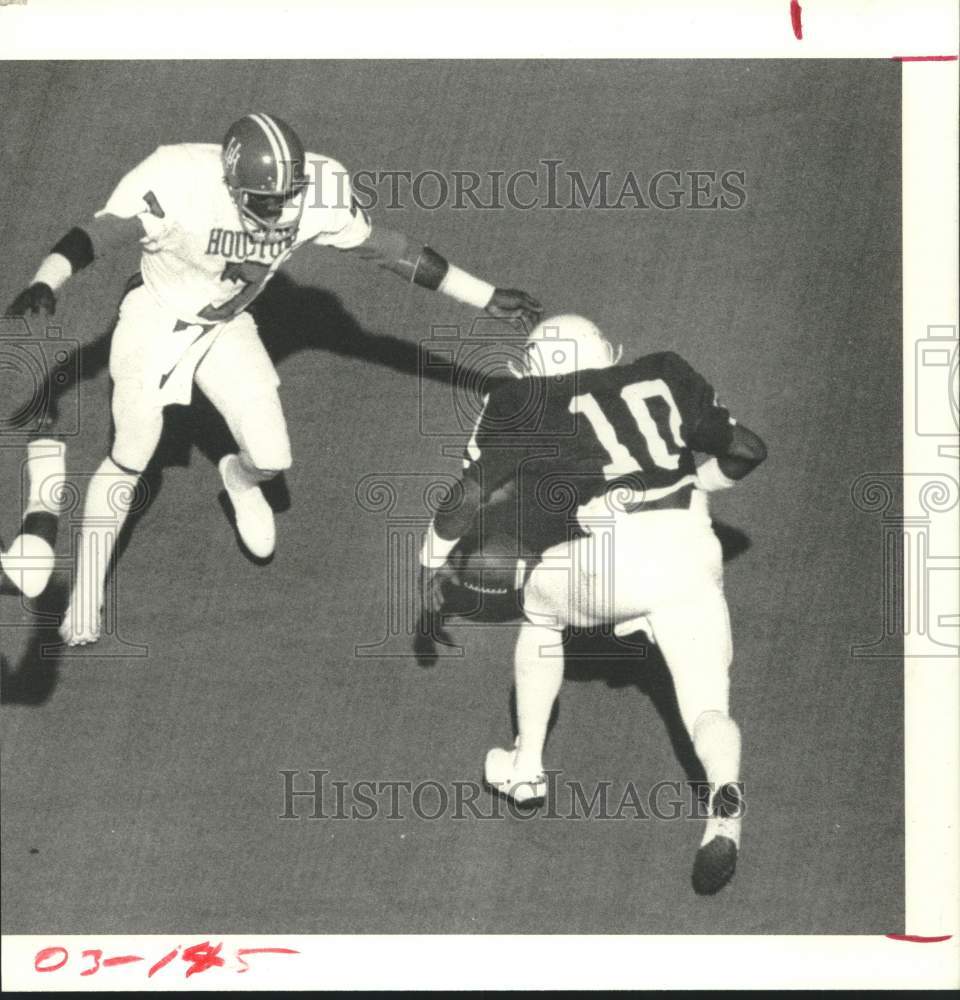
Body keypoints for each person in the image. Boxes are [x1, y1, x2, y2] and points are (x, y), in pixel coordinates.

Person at [6, 112, 542, 646]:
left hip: (226, 324)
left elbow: (390, 250)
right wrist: (46, 280)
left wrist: (486, 295)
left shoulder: (316, 190)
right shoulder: (177, 178)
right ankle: (88, 589)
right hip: (157, 317)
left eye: (291, 194)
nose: (283, 210)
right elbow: (96, 235)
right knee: (132, 452)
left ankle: (236, 481)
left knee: (271, 456)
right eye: (267, 200)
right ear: (231, 183)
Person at [419, 314, 766, 894]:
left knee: (538, 605)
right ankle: (725, 808)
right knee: (708, 708)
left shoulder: (524, 400)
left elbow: (470, 494)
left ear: (534, 367)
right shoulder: (664, 372)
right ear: (607, 352)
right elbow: (750, 449)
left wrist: (431, 561)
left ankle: (526, 765)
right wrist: (694, 485)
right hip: (689, 553)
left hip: (611, 563)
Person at [0, 439, 66, 599]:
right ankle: (46, 438)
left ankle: (46, 440)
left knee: (44, 500)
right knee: (44, 500)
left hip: (28, 575)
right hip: (26, 572)